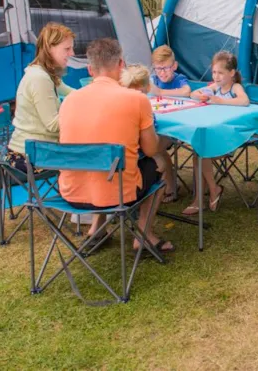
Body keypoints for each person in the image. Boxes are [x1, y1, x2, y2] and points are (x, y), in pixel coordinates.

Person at [58, 39, 174, 253]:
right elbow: (149, 150)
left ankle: (97, 229)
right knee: (158, 161)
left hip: (72, 194)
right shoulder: (135, 99)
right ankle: (144, 235)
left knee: (101, 166)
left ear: (90, 69)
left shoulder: (69, 101)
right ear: (121, 64)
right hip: (118, 194)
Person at [182, 51, 250, 216]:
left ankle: (208, 193)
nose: (216, 76)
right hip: (213, 135)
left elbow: (245, 101)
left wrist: (222, 101)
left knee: (201, 152)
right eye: (214, 72)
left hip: (229, 138)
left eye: (220, 72)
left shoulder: (235, 87)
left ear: (231, 73)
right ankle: (206, 194)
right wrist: (201, 95)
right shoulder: (215, 87)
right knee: (199, 152)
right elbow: (192, 94)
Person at [6, 22, 75, 173]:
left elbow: (73, 94)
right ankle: (79, 195)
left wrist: (96, 93)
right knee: (88, 157)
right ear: (50, 48)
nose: (72, 54)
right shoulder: (40, 78)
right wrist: (77, 112)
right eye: (67, 49)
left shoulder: (46, 73)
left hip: (33, 149)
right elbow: (53, 125)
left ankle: (78, 193)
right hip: (29, 156)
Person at [119, 63, 180, 203]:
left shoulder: (119, 102)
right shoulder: (142, 104)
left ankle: (170, 188)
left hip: (115, 158)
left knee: (160, 151)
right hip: (136, 153)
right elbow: (150, 146)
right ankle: (165, 191)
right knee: (163, 146)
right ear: (147, 87)